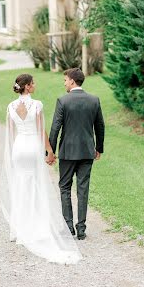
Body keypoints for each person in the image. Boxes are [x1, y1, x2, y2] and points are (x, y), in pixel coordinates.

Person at [0, 73, 82, 264]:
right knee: (37, 184)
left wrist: (12, 153)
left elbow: (11, 133)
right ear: (27, 86)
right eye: (33, 83)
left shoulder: (11, 106)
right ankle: (38, 228)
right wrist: (49, 150)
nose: (35, 85)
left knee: (21, 186)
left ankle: (20, 229)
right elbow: (41, 129)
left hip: (19, 148)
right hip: (32, 147)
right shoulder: (36, 105)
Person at [48, 68, 105, 240]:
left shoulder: (63, 101)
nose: (64, 83)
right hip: (87, 151)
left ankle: (68, 226)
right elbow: (100, 126)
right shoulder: (94, 100)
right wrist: (99, 148)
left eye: (65, 80)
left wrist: (50, 151)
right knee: (83, 189)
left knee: (65, 187)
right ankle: (81, 229)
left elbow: (55, 128)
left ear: (72, 81)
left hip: (67, 151)